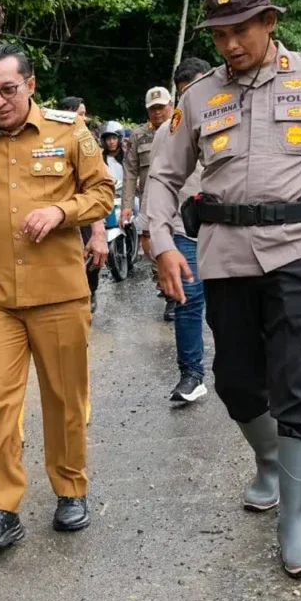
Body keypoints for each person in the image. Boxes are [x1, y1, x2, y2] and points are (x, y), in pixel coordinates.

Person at [146, 0, 301, 577]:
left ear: (269, 21)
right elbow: (165, 178)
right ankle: (270, 460)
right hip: (224, 260)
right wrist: (162, 240)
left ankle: (295, 525)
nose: (229, 44)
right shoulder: (197, 97)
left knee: (299, 388)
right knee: (238, 385)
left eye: (240, 31)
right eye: (219, 35)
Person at [0, 44, 114, 548]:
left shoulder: (69, 132)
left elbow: (103, 192)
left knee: (64, 396)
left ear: (30, 85)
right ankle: (2, 507)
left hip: (59, 294)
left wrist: (63, 212)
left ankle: (70, 490)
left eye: (7, 89)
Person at [143, 56, 212, 404]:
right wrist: (149, 232)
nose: (193, 100)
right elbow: (156, 182)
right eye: (186, 94)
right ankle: (191, 374)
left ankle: (244, 369)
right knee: (188, 299)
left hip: (230, 231)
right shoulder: (168, 132)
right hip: (182, 228)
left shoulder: (235, 121)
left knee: (234, 303)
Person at [125, 85, 178, 320]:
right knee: (156, 248)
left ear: (171, 105)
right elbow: (130, 170)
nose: (157, 112)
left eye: (161, 107)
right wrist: (127, 204)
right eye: (152, 108)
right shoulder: (138, 135)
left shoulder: (183, 128)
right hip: (151, 201)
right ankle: (170, 295)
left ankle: (182, 291)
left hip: (181, 200)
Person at [59, 96, 110, 313]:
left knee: (91, 258)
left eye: (84, 113)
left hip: (85, 213)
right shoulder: (48, 141)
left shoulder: (89, 142)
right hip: (58, 218)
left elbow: (96, 187)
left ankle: (91, 292)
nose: (84, 118)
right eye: (80, 113)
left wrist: (99, 230)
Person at [99, 121, 125, 187]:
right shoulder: (100, 158)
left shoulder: (127, 157)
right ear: (104, 141)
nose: (111, 142)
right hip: (107, 192)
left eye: (114, 138)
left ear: (120, 139)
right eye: (108, 139)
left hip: (125, 192)